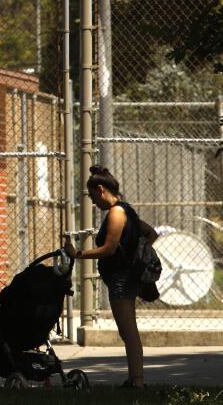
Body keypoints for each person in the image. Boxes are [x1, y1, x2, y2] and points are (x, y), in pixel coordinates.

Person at [63, 164, 157, 388]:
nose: (93, 202)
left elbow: (109, 248)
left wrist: (76, 253)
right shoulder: (126, 210)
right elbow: (150, 233)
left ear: (101, 189)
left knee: (129, 332)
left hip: (123, 281)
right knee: (129, 332)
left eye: (92, 195)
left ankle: (138, 383)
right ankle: (135, 380)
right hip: (125, 277)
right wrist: (138, 251)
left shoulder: (116, 212)